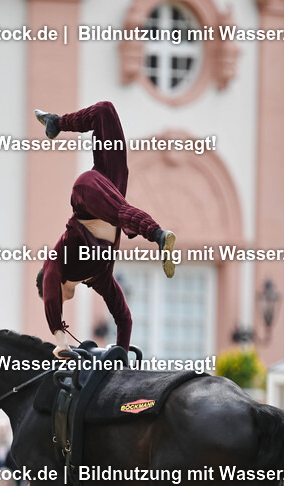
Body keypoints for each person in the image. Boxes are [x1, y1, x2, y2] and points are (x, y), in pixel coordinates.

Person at [33, 101, 176, 356]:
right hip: (110, 185)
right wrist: (121, 357)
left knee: (120, 213)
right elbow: (124, 317)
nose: (57, 299)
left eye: (49, 295)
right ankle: (54, 122)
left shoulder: (58, 262)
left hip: (87, 193)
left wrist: (61, 342)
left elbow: (52, 288)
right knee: (105, 112)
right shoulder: (99, 278)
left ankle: (158, 235)